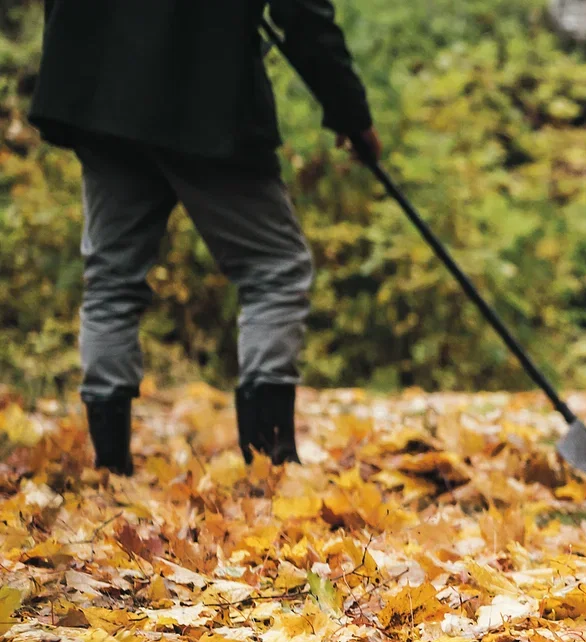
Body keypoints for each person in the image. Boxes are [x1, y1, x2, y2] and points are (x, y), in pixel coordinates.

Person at [29, 0, 378, 474]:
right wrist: (350, 113)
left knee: (111, 276)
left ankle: (110, 468)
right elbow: (300, 11)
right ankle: (269, 470)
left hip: (101, 92)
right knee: (275, 268)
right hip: (206, 97)